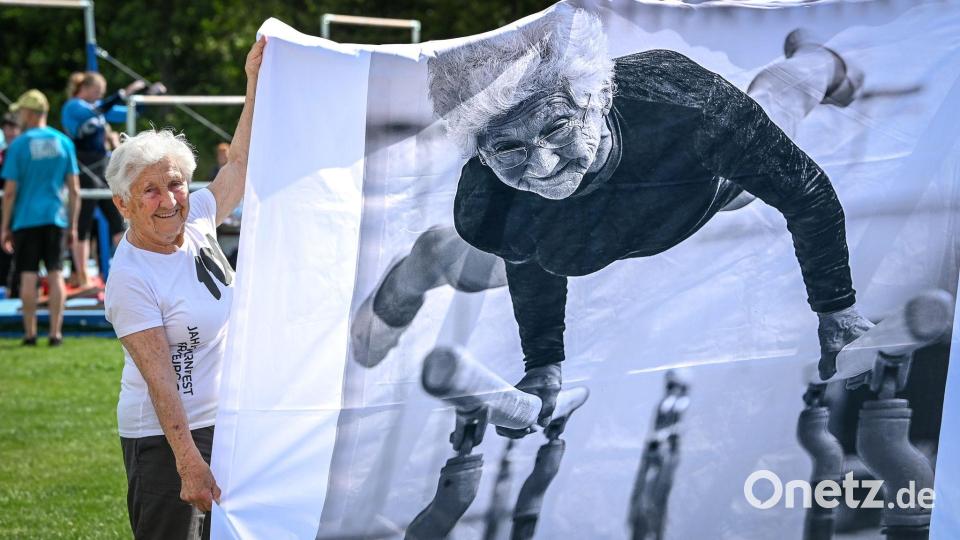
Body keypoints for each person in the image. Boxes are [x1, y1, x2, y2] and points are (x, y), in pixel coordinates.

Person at [350, 8, 874, 432]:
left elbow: (807, 194)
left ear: (599, 98)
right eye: (509, 148)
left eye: (557, 129)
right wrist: (544, 364)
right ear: (481, 154)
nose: (543, 165)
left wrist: (836, 309)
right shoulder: (494, 188)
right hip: (581, 232)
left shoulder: (692, 107)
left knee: (777, 101)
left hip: (704, 189)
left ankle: (818, 58)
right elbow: (529, 257)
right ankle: (412, 270)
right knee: (456, 259)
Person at [103, 37, 264, 540]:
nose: (167, 199)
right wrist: (189, 461)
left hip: (224, 423)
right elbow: (160, 380)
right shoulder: (130, 278)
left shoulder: (196, 217)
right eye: (149, 190)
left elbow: (238, 164)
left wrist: (255, 81)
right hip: (164, 440)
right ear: (124, 205)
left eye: (173, 183)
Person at [62, 71, 165, 288]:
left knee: (116, 218)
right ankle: (81, 277)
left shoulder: (99, 108)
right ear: (85, 88)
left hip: (102, 167)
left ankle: (134, 271)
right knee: (84, 222)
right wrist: (124, 93)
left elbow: (127, 113)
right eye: (97, 90)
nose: (100, 94)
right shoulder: (74, 106)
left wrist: (148, 96)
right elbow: (98, 110)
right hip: (83, 165)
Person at [0, 90, 80, 346]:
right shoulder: (63, 142)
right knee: (56, 272)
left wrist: (4, 226)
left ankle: (30, 333)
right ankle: (56, 333)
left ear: (31, 113)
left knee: (28, 274)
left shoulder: (19, 145)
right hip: (56, 217)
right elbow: (75, 189)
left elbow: (10, 191)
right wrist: (74, 225)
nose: (18, 116)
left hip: (26, 218)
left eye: (21, 111)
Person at [0, 112, 22, 294]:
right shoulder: (3, 154)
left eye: (13, 128)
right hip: (5, 208)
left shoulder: (23, 153)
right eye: (6, 128)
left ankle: (15, 287)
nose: (9, 132)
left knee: (20, 250)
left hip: (22, 209)